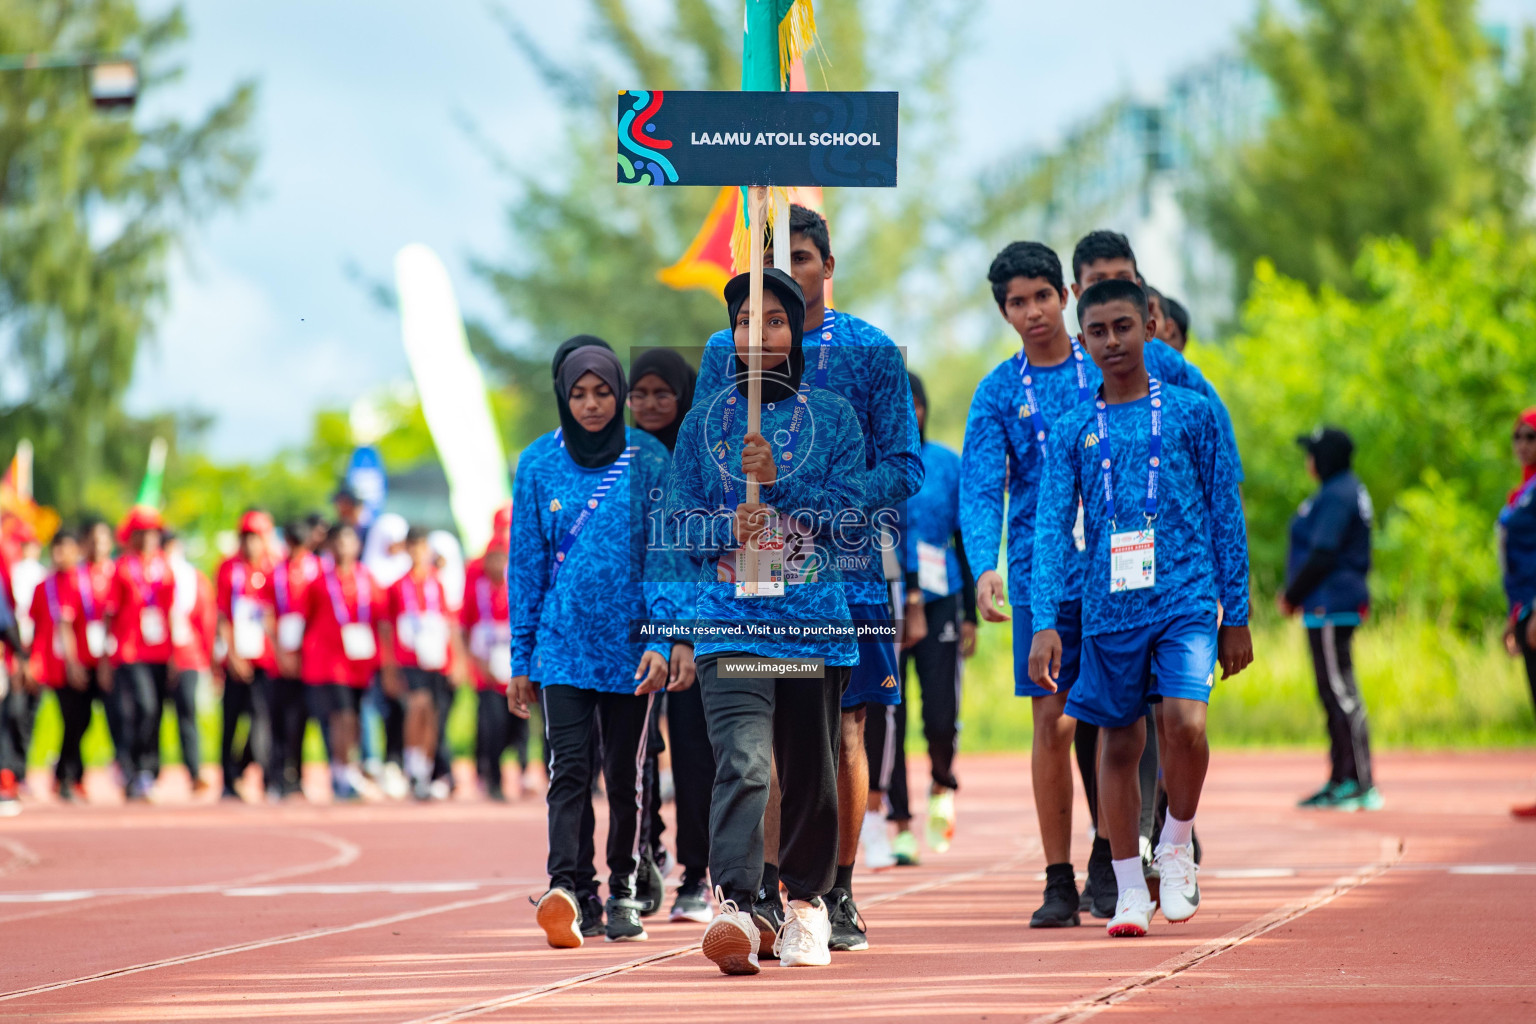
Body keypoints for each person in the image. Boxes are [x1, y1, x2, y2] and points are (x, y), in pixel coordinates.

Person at [694, 205, 924, 953]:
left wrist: (819, 500)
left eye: (801, 256)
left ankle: (832, 890)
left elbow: (904, 467)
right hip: (741, 589)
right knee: (752, 742)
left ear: (828, 264)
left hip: (841, 575)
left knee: (834, 739)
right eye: (773, 258)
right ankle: (753, 890)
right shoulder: (716, 352)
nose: (789, 271)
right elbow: (692, 470)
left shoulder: (871, 353)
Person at [1029, 278, 1252, 938]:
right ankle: (1128, 886)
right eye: (1097, 332)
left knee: (1184, 722)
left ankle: (1175, 845)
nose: (1112, 342)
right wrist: (1045, 620)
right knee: (1119, 741)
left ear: (1147, 327)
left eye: (1123, 327)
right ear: (1082, 340)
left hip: (1185, 598)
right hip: (1107, 606)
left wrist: (1234, 612)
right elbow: (1049, 529)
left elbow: (1225, 513)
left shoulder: (1192, 412)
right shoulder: (1071, 429)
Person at [667, 267, 867, 975]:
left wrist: (780, 479)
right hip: (729, 621)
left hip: (808, 620)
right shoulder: (701, 425)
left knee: (809, 771)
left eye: (775, 321)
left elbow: (853, 523)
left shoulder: (833, 418)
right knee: (746, 764)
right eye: (745, 321)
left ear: (795, 331)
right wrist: (725, 525)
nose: (759, 335)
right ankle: (737, 906)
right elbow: (674, 527)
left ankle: (808, 906)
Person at [511, 341, 679, 948]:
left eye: (603, 392)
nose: (590, 405)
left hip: (632, 647)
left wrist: (665, 636)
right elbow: (525, 566)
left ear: (619, 394)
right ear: (562, 394)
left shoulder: (651, 460)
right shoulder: (535, 464)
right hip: (561, 647)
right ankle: (569, 888)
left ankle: (624, 889)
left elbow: (668, 557)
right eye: (579, 393)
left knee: (625, 773)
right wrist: (521, 658)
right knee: (568, 770)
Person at [874, 371, 977, 867]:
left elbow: (967, 538)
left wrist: (973, 614)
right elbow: (873, 535)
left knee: (939, 711)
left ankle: (942, 781)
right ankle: (898, 823)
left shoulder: (947, 464)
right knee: (888, 710)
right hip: (887, 596)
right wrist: (902, 595)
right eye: (898, 405)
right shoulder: (874, 466)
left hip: (944, 597)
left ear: (924, 407)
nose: (908, 413)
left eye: (914, 404)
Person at [628, 346, 714, 923]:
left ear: (683, 396)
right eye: (640, 393)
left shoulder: (701, 458)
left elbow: (706, 553)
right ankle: (644, 855)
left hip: (692, 631)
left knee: (693, 751)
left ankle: (698, 874)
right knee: (636, 753)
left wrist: (682, 632)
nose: (651, 403)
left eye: (663, 392)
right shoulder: (617, 460)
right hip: (628, 631)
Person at [1281, 427, 1381, 812]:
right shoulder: (1338, 491)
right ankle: (1341, 778)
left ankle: (1360, 782)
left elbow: (1323, 553)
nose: (1307, 461)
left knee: (1341, 693)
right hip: (1324, 605)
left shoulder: (1339, 494)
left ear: (1324, 459)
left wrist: (1291, 596)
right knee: (1332, 692)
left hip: (1331, 604)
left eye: (1312, 454)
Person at [301, 522, 379, 801]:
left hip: (360, 660)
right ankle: (342, 773)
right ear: (330, 547)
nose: (345, 547)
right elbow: (305, 619)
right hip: (330, 662)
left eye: (350, 541)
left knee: (356, 718)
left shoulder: (367, 578)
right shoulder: (320, 582)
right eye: (339, 542)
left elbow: (380, 617)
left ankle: (348, 768)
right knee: (341, 718)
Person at [105, 506, 175, 800]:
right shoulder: (122, 567)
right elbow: (110, 613)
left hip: (159, 650)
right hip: (130, 651)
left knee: (156, 711)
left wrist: (173, 654)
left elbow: (170, 612)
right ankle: (131, 765)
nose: (148, 539)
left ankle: (147, 771)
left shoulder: (164, 568)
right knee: (141, 708)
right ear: (132, 537)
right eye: (142, 533)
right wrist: (105, 657)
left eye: (153, 533)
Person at [379, 527, 453, 800]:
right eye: (414, 546)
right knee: (417, 705)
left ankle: (424, 771)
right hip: (408, 658)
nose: (419, 552)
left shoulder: (438, 583)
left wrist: (455, 661)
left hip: (436, 658)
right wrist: (388, 665)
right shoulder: (397, 586)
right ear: (407, 549)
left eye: (423, 547)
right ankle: (411, 767)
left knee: (432, 714)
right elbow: (386, 627)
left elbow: (448, 623)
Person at [215, 511, 277, 800]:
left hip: (264, 658)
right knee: (231, 718)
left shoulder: (273, 569)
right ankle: (227, 779)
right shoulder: (229, 569)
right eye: (247, 537)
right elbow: (223, 615)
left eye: (258, 537)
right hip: (237, 656)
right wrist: (233, 654)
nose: (252, 543)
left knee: (262, 718)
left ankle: (260, 772)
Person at [463, 505, 523, 800]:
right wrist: (471, 660)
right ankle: (489, 776)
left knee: (519, 723)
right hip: (486, 661)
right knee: (490, 722)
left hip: (516, 660)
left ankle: (521, 772)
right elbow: (466, 620)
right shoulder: (476, 568)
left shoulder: (526, 561)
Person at [32, 530, 90, 802]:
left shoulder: (83, 582)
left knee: (82, 719)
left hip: (85, 658)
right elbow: (47, 625)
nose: (60, 555)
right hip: (57, 665)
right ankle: (66, 777)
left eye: (65, 549)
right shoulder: (44, 586)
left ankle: (69, 774)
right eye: (56, 549)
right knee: (70, 719)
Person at [1499, 409, 1536, 819]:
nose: (1524, 445)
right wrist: (1516, 616)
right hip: (1524, 606)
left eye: (1531, 437)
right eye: (1518, 437)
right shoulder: (1524, 490)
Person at [269, 519, 321, 799]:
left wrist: (304, 651)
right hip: (279, 655)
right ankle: (278, 777)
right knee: (277, 718)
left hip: (306, 655)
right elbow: (266, 613)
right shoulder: (275, 572)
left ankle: (297, 776)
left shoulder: (317, 571)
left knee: (300, 719)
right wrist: (279, 651)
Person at [361, 512, 411, 797]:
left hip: (401, 654)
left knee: (399, 708)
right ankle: (372, 761)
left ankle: (396, 761)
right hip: (371, 654)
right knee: (371, 708)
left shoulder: (407, 571)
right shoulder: (368, 572)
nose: (395, 545)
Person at [165, 531, 214, 796]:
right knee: (150, 714)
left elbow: (205, 620)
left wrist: (204, 656)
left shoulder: (194, 578)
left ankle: (195, 772)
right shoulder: (153, 576)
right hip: (156, 656)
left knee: (187, 714)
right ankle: (146, 772)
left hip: (187, 657)